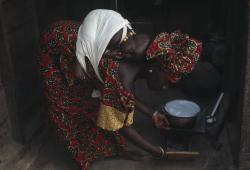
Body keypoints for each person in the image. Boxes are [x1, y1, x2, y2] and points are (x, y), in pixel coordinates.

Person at [38, 9, 202, 170]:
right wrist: (157, 152)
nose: (165, 88)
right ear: (157, 68)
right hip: (55, 44)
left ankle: (103, 151)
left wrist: (153, 114)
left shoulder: (143, 50)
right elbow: (121, 125)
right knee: (67, 107)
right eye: (166, 82)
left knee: (96, 102)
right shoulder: (122, 74)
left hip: (76, 38)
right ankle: (84, 159)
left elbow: (125, 96)